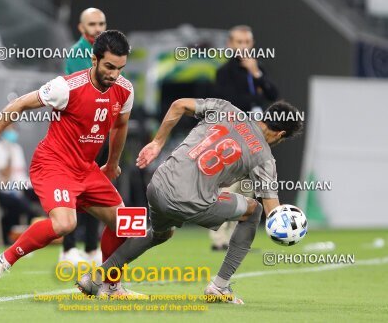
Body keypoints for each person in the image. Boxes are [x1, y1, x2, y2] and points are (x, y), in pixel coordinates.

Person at [77, 98, 303, 303]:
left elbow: (178, 105)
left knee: (161, 232)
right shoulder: (264, 157)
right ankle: (219, 286)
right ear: (280, 134)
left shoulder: (227, 109)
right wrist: (291, 228)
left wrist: (157, 143)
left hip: (158, 185)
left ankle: (96, 277)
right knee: (252, 211)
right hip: (188, 201)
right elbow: (273, 214)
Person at [0, 30, 134, 291]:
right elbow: (19, 104)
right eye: (109, 67)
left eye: (120, 68)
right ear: (94, 61)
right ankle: (3, 261)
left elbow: (120, 125)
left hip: (86, 169)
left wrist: (112, 163)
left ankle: (109, 286)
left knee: (126, 224)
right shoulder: (66, 87)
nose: (114, 74)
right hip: (54, 165)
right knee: (65, 223)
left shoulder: (125, 90)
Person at [212, 24, 279, 250]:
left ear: (252, 44)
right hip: (234, 135)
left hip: (256, 135)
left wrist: (256, 74)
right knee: (227, 186)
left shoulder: (258, 68)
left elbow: (272, 94)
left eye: (246, 42)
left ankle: (234, 239)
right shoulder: (224, 72)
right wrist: (254, 96)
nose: (242, 47)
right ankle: (219, 238)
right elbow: (229, 100)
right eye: (238, 42)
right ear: (230, 44)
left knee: (248, 188)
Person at [61, 7, 107, 266]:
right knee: (73, 192)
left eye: (101, 23)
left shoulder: (107, 53)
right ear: (81, 28)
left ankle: (91, 246)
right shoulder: (78, 54)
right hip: (78, 134)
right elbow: (89, 91)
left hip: (99, 132)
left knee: (93, 190)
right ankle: (69, 248)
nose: (98, 28)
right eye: (92, 24)